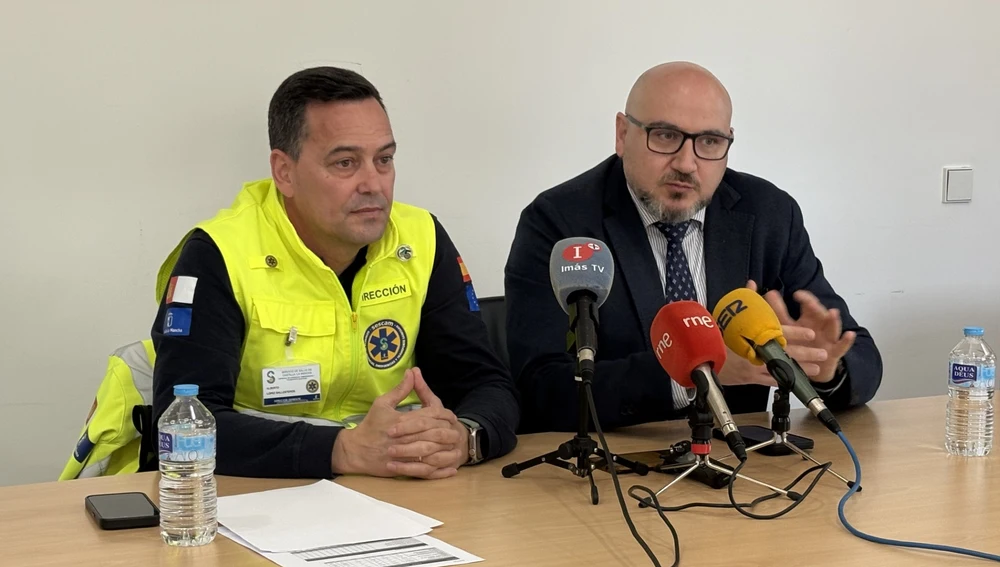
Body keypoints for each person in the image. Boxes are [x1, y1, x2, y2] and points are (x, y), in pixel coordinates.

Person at [152, 67, 518, 479]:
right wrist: (341, 451)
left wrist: (465, 437)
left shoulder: (421, 239)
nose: (373, 184)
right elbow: (184, 427)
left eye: (384, 160)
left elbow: (487, 384)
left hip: (392, 494)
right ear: (284, 172)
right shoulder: (219, 253)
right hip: (253, 499)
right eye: (346, 163)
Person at [505, 62, 882, 433]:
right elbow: (541, 388)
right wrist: (698, 371)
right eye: (666, 136)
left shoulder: (768, 213)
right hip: (616, 467)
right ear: (622, 134)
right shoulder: (560, 223)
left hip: (745, 467)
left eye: (710, 142)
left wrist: (826, 367)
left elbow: (861, 358)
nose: (687, 163)